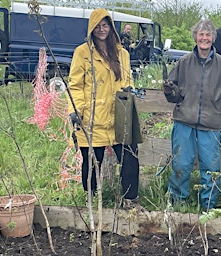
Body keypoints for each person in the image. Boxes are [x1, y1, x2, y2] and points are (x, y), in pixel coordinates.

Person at [67, 9, 140, 206]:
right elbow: (75, 85)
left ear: (111, 28)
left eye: (105, 25)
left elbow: (128, 79)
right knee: (91, 163)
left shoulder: (122, 53)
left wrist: (129, 89)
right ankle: (91, 201)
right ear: (91, 28)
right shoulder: (82, 53)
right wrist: (76, 111)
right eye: (97, 26)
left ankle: (130, 200)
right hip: (91, 119)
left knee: (130, 159)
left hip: (119, 116)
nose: (101, 30)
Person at [162, 19, 221, 211]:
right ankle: (178, 205)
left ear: (213, 38)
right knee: (181, 165)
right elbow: (175, 95)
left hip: (211, 126)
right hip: (184, 123)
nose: (204, 38)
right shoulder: (184, 62)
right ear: (195, 37)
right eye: (201, 34)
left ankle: (208, 208)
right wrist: (170, 91)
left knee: (211, 170)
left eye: (208, 34)